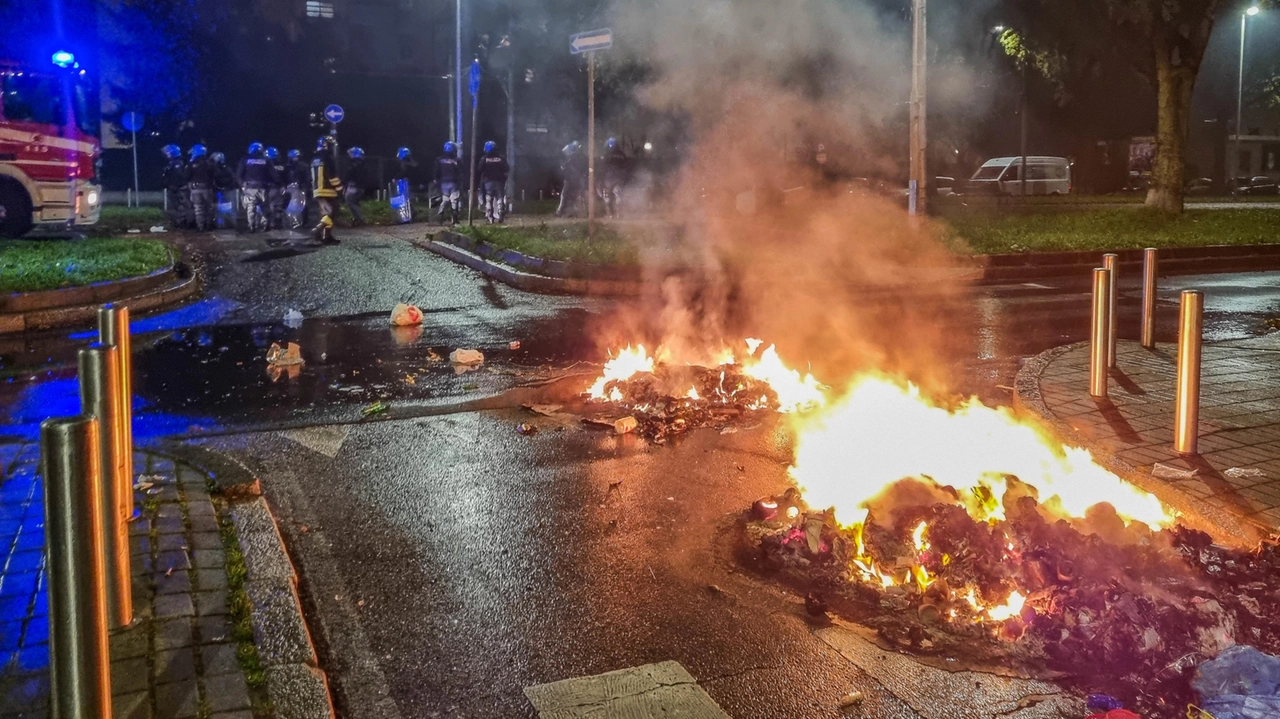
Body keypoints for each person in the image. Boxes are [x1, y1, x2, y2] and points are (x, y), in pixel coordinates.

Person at [310, 136, 342, 244]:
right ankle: (317, 229)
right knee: (332, 213)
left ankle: (326, 237)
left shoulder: (315, 158)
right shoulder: (328, 157)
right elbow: (332, 175)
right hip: (328, 190)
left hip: (317, 190)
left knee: (324, 214)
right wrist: (339, 188)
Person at [236, 142, 272, 232]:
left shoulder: (245, 160)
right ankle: (265, 225)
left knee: (251, 207)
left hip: (250, 187)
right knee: (264, 207)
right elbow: (273, 175)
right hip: (263, 187)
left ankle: (252, 226)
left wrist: (242, 184)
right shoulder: (266, 160)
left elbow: (239, 174)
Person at [478, 141, 510, 224]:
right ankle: (500, 211)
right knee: (499, 197)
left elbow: (480, 169)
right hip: (500, 181)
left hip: (488, 182)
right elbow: (507, 169)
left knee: (489, 198)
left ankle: (490, 217)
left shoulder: (484, 159)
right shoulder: (501, 158)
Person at [186, 145, 216, 232]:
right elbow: (215, 174)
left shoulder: (191, 163)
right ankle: (209, 225)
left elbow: (186, 175)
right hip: (207, 188)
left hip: (195, 189)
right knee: (209, 207)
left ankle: (201, 227)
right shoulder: (209, 163)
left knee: (198, 208)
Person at [433, 141, 462, 225]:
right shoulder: (456, 160)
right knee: (454, 200)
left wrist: (435, 179)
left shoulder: (439, 160)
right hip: (453, 182)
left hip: (443, 183)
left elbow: (436, 171)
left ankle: (440, 213)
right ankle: (454, 219)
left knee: (445, 199)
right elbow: (461, 171)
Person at [161, 144, 188, 229]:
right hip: (173, 188)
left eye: (168, 153)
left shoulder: (177, 163)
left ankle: (182, 222)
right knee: (174, 207)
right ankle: (178, 222)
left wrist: (175, 186)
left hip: (176, 189)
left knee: (179, 206)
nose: (167, 155)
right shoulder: (173, 163)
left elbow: (178, 176)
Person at [556, 141, 586, 218]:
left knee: (565, 195)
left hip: (570, 180)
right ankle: (575, 212)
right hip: (575, 180)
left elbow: (564, 167)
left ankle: (560, 212)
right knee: (573, 196)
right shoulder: (579, 157)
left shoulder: (572, 158)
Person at [601, 137, 627, 218]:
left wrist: (601, 177)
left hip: (608, 178)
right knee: (618, 196)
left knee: (607, 197)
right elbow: (626, 166)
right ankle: (619, 214)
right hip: (619, 178)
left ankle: (610, 214)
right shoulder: (622, 155)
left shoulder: (606, 154)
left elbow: (602, 167)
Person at [284, 149, 310, 230]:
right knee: (289, 205)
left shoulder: (304, 166)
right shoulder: (287, 167)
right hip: (290, 189)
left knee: (303, 205)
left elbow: (308, 177)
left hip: (301, 188)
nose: (296, 158)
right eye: (294, 157)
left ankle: (304, 222)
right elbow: (285, 178)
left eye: (297, 157)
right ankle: (291, 221)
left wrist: (305, 186)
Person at [211, 152, 237, 229]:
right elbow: (233, 178)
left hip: (223, 190)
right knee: (228, 208)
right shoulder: (227, 168)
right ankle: (229, 224)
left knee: (220, 209)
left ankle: (221, 224)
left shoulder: (215, 169)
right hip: (227, 190)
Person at [391, 147, 417, 224]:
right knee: (408, 199)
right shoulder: (412, 162)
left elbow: (403, 172)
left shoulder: (404, 163)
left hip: (404, 183)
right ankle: (412, 212)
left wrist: (395, 178)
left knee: (403, 200)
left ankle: (405, 217)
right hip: (410, 183)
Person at [343, 146, 368, 225]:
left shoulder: (354, 166)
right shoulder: (362, 165)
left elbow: (348, 176)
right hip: (360, 187)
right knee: (355, 202)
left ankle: (359, 219)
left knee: (350, 201)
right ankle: (357, 218)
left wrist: (344, 183)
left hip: (355, 187)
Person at [265, 147, 286, 230]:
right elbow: (286, 177)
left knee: (268, 207)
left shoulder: (266, 164)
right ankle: (278, 223)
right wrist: (283, 186)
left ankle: (269, 224)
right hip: (279, 188)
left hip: (268, 188)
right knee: (278, 207)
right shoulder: (282, 165)